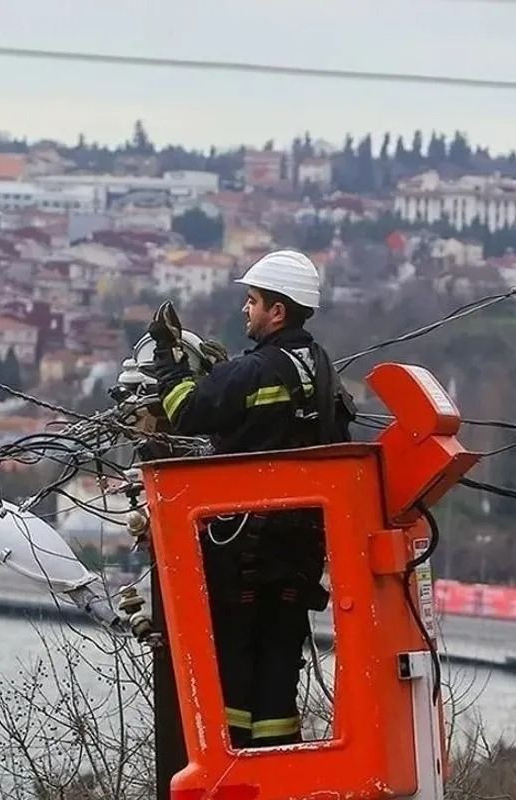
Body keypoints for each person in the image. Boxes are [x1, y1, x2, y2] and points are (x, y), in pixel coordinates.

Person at [147, 249, 353, 748]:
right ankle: (276, 763)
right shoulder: (323, 371)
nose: (245, 309)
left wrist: (168, 360)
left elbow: (187, 411)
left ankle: (233, 765)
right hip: (301, 549)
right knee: (279, 663)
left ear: (277, 311)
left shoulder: (257, 370)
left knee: (231, 661)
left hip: (242, 545)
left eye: (253, 300)